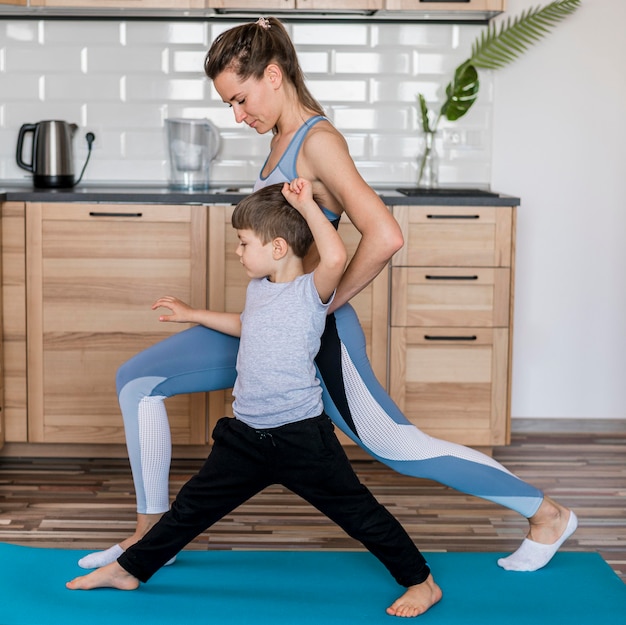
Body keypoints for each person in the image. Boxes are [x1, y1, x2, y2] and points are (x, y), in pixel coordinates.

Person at [77, 16, 576, 576]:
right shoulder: (283, 141)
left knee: (397, 446)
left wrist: (324, 305)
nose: (238, 117)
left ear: (272, 75)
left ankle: (546, 513)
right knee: (139, 381)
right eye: (229, 106)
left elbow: (385, 234)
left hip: (316, 336)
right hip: (271, 328)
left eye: (240, 100)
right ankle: (147, 539)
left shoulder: (318, 141)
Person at [67, 180, 443, 618]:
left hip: (302, 438)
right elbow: (249, 326)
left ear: (279, 247)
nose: (238, 251)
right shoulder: (260, 289)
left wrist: (305, 203)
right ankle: (129, 569)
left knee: (359, 514)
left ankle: (422, 582)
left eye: (244, 243)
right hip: (246, 436)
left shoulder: (310, 292)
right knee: (191, 508)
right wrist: (192, 313)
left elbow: (337, 255)